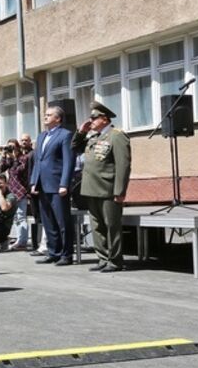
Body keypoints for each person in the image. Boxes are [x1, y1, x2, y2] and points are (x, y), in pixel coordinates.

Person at [72, 102, 131, 273]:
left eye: (93, 117)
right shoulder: (93, 137)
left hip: (108, 189)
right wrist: (81, 131)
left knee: (112, 225)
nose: (90, 120)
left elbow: (123, 165)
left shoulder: (116, 136)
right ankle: (103, 258)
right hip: (91, 188)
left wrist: (120, 191)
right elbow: (74, 147)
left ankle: (115, 260)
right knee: (97, 226)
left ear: (104, 119)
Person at [30, 105, 76, 266]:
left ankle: (66, 254)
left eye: (49, 115)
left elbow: (69, 162)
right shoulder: (42, 136)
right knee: (48, 221)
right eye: (45, 114)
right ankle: (53, 252)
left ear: (58, 118)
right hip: (42, 185)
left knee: (62, 221)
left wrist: (64, 183)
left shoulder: (65, 135)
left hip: (57, 185)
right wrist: (34, 182)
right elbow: (38, 161)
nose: (45, 117)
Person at [1, 138, 32, 250]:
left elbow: (19, 171)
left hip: (21, 190)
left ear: (18, 148)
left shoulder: (23, 158)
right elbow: (2, 168)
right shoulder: (9, 159)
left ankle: (22, 242)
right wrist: (4, 155)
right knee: (16, 218)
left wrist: (14, 158)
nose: (11, 149)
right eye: (9, 147)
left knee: (21, 217)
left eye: (13, 147)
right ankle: (20, 239)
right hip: (12, 191)